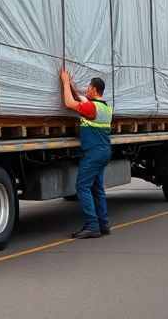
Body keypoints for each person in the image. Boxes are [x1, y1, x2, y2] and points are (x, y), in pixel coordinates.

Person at [59, 69, 112, 239]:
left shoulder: (91, 108)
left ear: (94, 90)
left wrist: (65, 82)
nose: (86, 90)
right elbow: (80, 98)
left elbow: (69, 103)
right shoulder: (105, 107)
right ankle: (104, 224)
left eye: (89, 87)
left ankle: (92, 226)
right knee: (98, 189)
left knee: (82, 187)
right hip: (104, 151)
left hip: (94, 153)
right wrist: (72, 86)